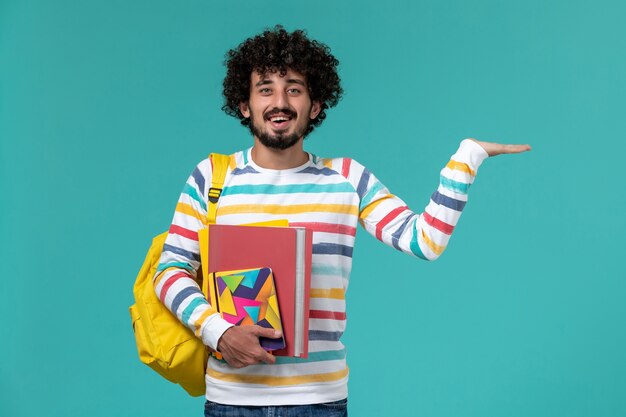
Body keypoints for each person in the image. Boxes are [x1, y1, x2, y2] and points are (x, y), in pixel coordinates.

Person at [153, 25, 530, 417]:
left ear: (315, 105)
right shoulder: (212, 178)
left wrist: (466, 160)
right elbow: (169, 272)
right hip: (233, 400)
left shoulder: (348, 178)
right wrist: (220, 332)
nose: (279, 101)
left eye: (294, 89)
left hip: (320, 401)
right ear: (245, 104)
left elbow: (425, 241)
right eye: (265, 88)